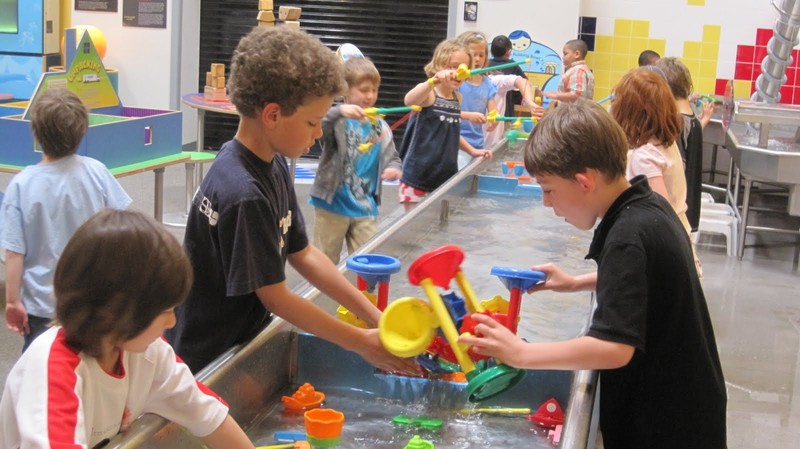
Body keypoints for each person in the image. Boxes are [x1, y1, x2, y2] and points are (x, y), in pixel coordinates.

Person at [459, 100, 727, 449]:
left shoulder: (626, 237)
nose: (546, 203)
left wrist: (521, 354)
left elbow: (615, 348)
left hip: (665, 426)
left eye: (548, 189)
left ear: (584, 181)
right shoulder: (647, 206)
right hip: (691, 405)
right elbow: (654, 278)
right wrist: (577, 282)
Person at [164, 27, 416, 375]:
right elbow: (276, 297)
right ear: (272, 115)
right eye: (313, 122)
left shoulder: (273, 163)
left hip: (238, 338)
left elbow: (304, 253)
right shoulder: (244, 193)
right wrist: (360, 342)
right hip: (208, 357)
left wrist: (376, 316)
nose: (318, 133)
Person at [0, 209, 256, 449]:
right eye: (165, 311)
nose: (172, 323)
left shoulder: (148, 354)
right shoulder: (53, 370)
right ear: (113, 315)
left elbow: (206, 414)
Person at [0, 88, 131, 352]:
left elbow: (14, 253)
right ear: (82, 131)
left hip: (42, 309)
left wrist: (12, 301)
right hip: (92, 302)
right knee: (91, 367)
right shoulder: (96, 171)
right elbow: (123, 226)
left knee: (43, 371)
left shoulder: (21, 185)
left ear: (35, 133)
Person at [309, 56, 402, 264]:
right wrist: (339, 110)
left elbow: (393, 156)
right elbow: (318, 123)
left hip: (364, 206)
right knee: (325, 261)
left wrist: (394, 168)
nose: (370, 96)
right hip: (332, 204)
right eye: (363, 90)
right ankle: (321, 297)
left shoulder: (380, 126)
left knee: (369, 261)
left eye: (374, 90)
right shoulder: (337, 121)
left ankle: (364, 296)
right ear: (345, 91)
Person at [610, 68, 702, 275]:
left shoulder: (645, 157)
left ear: (627, 111)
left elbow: (660, 215)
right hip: (681, 242)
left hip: (663, 257)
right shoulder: (666, 145)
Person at [398, 38, 491, 208]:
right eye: (453, 66)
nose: (459, 72)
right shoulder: (429, 94)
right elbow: (408, 100)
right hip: (418, 175)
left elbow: (451, 133)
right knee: (414, 227)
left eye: (464, 68)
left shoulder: (458, 98)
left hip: (444, 174)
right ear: (439, 66)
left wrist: (473, 151)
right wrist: (432, 81)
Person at [656, 57, 716, 233]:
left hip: (677, 205)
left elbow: (675, 165)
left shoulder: (676, 121)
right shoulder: (691, 118)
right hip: (688, 202)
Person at [456, 31, 499, 168]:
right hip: (458, 144)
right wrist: (469, 116)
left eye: (481, 55)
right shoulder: (457, 82)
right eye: (473, 54)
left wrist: (494, 118)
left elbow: (493, 110)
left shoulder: (487, 84)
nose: (477, 59)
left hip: (478, 143)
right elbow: (449, 113)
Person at [488, 34, 528, 117]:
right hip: (506, 111)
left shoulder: (485, 64)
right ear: (509, 52)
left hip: (486, 111)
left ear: (490, 51)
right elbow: (525, 83)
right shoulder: (513, 65)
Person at [544, 39, 594, 103]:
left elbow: (577, 95)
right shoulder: (580, 69)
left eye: (565, 54)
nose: (563, 57)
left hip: (574, 112)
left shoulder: (578, 71)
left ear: (577, 54)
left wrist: (556, 95)